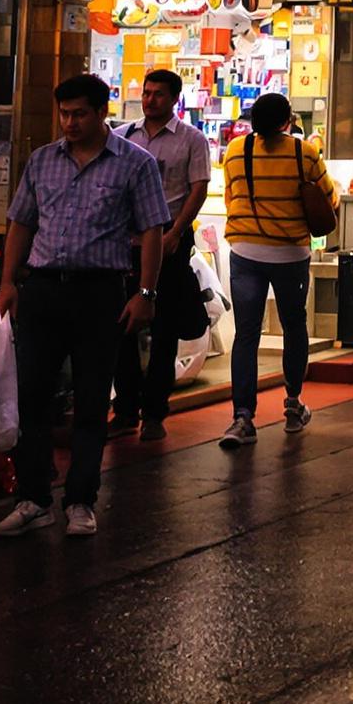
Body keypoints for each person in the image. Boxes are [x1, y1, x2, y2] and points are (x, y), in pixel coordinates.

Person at [0, 74, 170, 538]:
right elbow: (20, 223)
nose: (69, 122)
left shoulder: (135, 164)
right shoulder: (42, 161)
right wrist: (8, 282)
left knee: (92, 401)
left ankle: (80, 500)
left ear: (101, 112)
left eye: (79, 114)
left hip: (100, 291)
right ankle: (33, 498)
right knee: (31, 396)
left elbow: (153, 231)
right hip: (44, 289)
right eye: (64, 114)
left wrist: (145, 294)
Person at [216, 92, 339, 447]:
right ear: (288, 121)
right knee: (293, 325)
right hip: (289, 253)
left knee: (247, 334)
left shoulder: (236, 150)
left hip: (245, 250)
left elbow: (230, 197)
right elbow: (328, 202)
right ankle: (292, 403)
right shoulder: (305, 152)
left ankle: (242, 418)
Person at [108, 69, 211, 442]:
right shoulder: (123, 136)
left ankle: (154, 412)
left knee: (165, 330)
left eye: (158, 94)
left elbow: (198, 188)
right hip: (126, 245)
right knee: (121, 327)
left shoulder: (191, 140)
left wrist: (177, 231)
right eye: (146, 93)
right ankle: (124, 409)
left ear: (174, 99)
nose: (149, 100)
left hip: (169, 241)